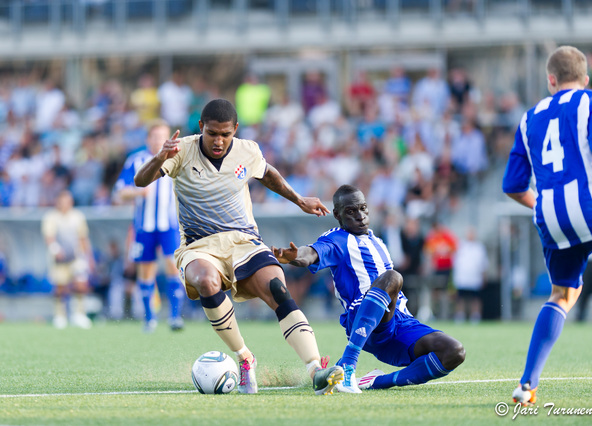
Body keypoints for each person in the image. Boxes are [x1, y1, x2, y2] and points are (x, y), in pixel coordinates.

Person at [134, 98, 344, 395]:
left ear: (235, 129)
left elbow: (268, 173)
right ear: (201, 128)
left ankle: (315, 369)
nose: (218, 141)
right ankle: (245, 358)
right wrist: (159, 157)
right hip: (199, 245)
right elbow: (140, 180)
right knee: (206, 280)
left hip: (243, 240)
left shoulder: (248, 150)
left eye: (225, 134)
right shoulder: (182, 150)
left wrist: (300, 199)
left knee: (277, 288)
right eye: (211, 133)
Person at [272, 184, 465, 394]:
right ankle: (348, 363)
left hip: (399, 321)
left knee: (454, 351)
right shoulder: (336, 239)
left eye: (363, 208)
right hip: (363, 316)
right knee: (393, 277)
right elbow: (311, 253)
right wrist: (295, 257)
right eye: (351, 211)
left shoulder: (378, 241)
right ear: (337, 214)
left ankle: (375, 381)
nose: (360, 215)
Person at [502, 45, 592, 406]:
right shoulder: (588, 103)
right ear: (585, 80)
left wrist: (541, 203)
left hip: (552, 215)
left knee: (562, 294)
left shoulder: (529, 117)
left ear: (550, 81)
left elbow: (512, 185)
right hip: (587, 203)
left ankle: (526, 385)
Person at [114, 119, 185, 333]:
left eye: (163, 136)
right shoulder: (136, 160)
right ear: (148, 139)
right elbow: (119, 192)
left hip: (169, 225)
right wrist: (138, 192)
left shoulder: (177, 158)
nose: (158, 141)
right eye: (154, 136)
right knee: (146, 271)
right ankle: (150, 319)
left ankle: (174, 317)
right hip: (144, 226)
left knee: (174, 268)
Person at [41, 190, 95, 329]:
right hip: (59, 260)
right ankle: (60, 315)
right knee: (60, 287)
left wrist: (89, 257)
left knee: (81, 284)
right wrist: (56, 250)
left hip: (76, 257)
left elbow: (83, 238)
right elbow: (49, 237)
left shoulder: (78, 216)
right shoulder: (51, 217)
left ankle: (79, 314)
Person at [452, 227, 488, 324]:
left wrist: (484, 277)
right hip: (462, 277)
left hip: (475, 277)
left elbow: (483, 264)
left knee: (475, 298)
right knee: (460, 298)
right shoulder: (460, 246)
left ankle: (475, 316)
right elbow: (455, 262)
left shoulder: (479, 247)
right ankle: (460, 315)